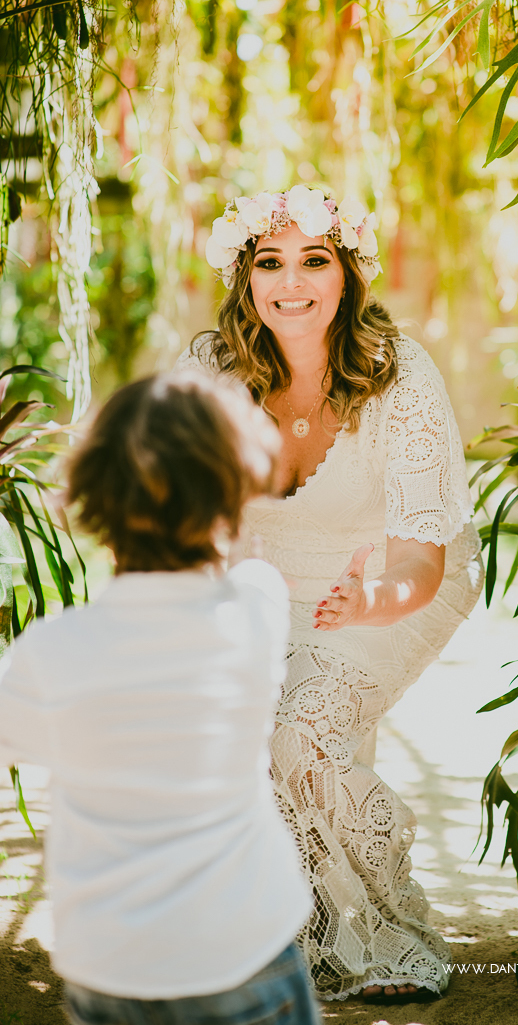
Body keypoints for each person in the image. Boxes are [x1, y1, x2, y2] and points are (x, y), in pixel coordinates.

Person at [179, 184, 483, 1004]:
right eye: (269, 262)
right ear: (245, 278)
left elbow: (423, 558)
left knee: (299, 737)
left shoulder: (398, 374)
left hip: (390, 583)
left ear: (346, 274)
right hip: (257, 585)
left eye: (315, 260)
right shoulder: (210, 371)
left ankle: (388, 931)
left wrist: (371, 599)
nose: (292, 281)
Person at [0, 371, 321, 1025]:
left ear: (95, 498)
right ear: (234, 496)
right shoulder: (255, 611)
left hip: (109, 966)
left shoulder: (50, 653)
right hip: (244, 948)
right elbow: (255, 572)